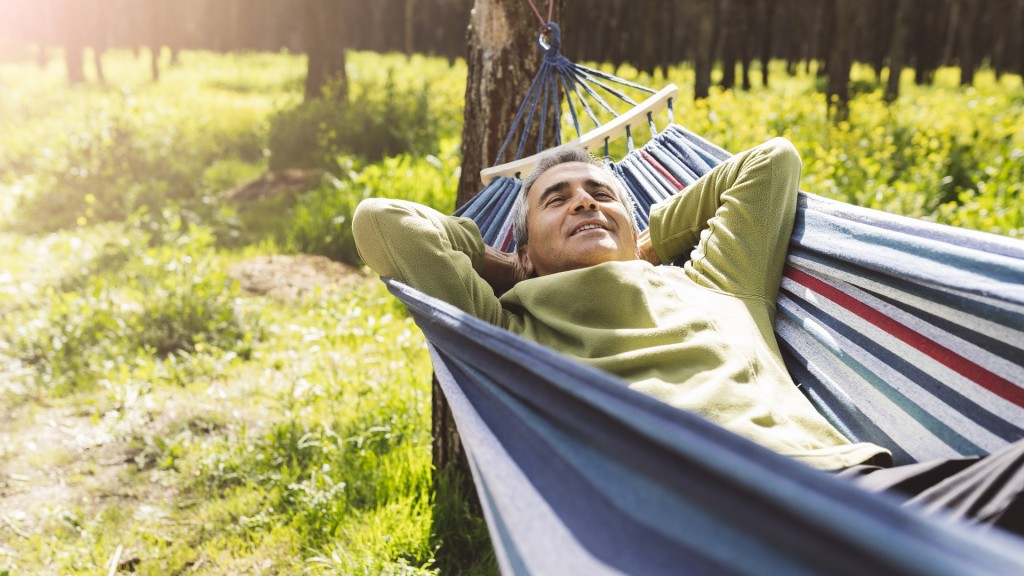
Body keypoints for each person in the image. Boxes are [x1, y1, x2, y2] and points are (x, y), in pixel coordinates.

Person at [352, 137, 1024, 536]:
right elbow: (381, 223)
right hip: (689, 532)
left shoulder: (717, 283)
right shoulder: (510, 325)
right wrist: (500, 266)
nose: (584, 201)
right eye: (556, 199)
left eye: (600, 194)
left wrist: (640, 248)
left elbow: (770, 162)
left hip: (847, 492)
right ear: (524, 252)